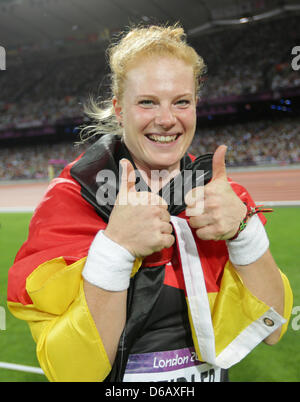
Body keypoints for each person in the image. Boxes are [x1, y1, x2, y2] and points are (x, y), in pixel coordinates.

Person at [7, 24, 292, 383]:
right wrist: (116, 248)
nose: (167, 120)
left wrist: (244, 231)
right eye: (147, 102)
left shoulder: (220, 197)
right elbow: (71, 372)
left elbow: (273, 328)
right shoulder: (70, 200)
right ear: (119, 109)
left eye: (181, 102)